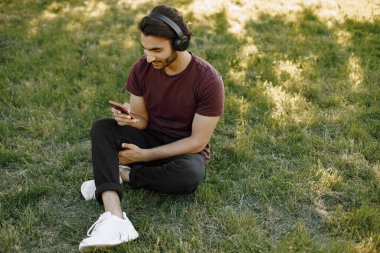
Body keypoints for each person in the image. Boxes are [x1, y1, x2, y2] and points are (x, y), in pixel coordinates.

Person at [78, 4, 224, 252]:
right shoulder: (141, 69)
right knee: (103, 129)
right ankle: (115, 217)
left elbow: (198, 142)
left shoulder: (208, 80)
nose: (149, 57)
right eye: (145, 49)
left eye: (157, 50)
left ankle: (121, 175)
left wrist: (143, 156)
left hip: (183, 149)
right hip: (148, 136)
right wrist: (131, 121)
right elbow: (142, 120)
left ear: (180, 44)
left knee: (190, 174)